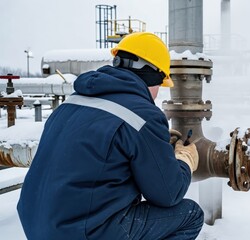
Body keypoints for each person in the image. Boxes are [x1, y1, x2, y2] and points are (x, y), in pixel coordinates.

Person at [17, 32, 203, 239]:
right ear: (152, 75)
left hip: (37, 224)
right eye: (160, 84)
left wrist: (154, 140)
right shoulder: (143, 116)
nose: (158, 92)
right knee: (190, 214)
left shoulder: (73, 102)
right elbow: (168, 194)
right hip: (83, 232)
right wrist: (184, 160)